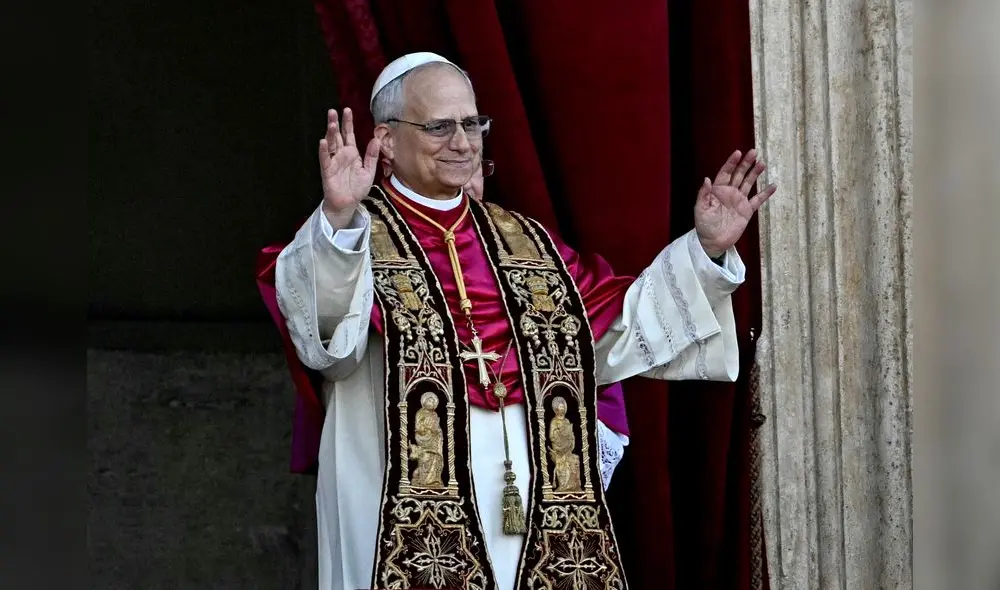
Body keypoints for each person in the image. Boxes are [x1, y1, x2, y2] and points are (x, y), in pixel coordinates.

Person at [273, 52, 775, 590]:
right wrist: (338, 219)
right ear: (388, 141)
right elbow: (328, 342)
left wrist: (704, 252)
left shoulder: (528, 244)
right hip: (392, 505)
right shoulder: (353, 237)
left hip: (531, 509)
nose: (463, 143)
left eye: (472, 124)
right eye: (440, 126)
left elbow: (611, 334)